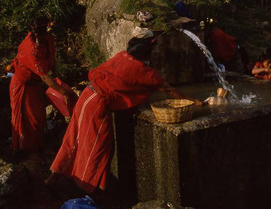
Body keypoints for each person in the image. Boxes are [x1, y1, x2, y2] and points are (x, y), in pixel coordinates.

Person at [45, 28, 200, 195]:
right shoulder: (145, 71)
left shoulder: (121, 56)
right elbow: (169, 91)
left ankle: (51, 179)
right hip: (97, 104)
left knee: (73, 138)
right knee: (99, 147)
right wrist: (193, 101)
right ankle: (91, 191)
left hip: (86, 96)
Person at [9, 16, 77, 162]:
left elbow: (51, 59)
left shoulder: (47, 39)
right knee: (28, 120)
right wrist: (65, 92)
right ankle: (27, 152)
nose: (52, 32)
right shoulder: (32, 49)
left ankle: (38, 147)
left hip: (34, 84)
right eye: (50, 29)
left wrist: (58, 79)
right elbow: (45, 78)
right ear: (41, 33)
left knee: (39, 117)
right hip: (24, 86)